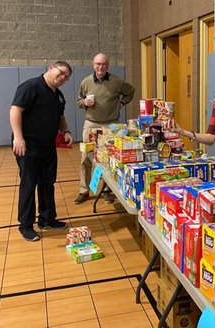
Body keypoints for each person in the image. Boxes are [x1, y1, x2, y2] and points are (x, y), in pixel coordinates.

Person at [10, 61, 74, 242]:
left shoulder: (58, 95)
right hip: (27, 146)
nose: (62, 78)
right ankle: (25, 225)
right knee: (29, 185)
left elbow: (60, 117)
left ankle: (47, 219)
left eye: (66, 78)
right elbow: (15, 110)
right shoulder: (30, 87)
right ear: (51, 68)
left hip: (47, 146)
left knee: (47, 183)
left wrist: (66, 131)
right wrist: (18, 137)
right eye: (61, 73)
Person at [75, 53, 135, 204]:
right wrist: (84, 103)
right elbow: (78, 101)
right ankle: (85, 190)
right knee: (87, 158)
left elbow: (130, 92)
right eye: (98, 64)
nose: (100, 67)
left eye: (103, 64)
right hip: (91, 124)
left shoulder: (116, 81)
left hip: (110, 126)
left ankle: (107, 190)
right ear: (93, 65)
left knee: (109, 159)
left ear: (107, 66)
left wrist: (121, 104)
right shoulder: (86, 82)